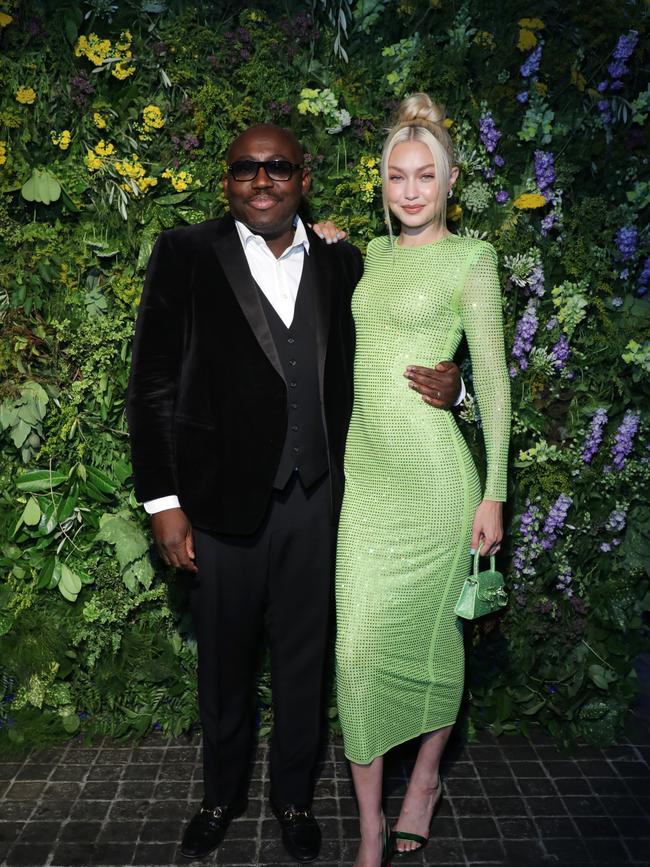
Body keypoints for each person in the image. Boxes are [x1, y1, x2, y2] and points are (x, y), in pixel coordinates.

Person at [126, 122, 463, 863]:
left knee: (306, 664)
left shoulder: (345, 261)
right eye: (245, 168)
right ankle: (220, 794)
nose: (262, 180)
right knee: (224, 661)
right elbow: (151, 385)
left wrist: (457, 384)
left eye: (278, 167)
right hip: (217, 505)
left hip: (321, 500)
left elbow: (402, 345)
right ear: (227, 180)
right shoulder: (185, 254)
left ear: (302, 178)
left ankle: (293, 796)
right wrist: (163, 503)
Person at [334, 93, 511, 867]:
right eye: (397, 177)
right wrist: (317, 235)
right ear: (383, 184)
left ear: (449, 182)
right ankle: (369, 825)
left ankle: (426, 778)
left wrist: (494, 490)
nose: (410, 191)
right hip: (367, 486)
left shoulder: (473, 260)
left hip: (440, 485)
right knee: (358, 650)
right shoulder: (368, 256)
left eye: (425, 177)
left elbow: (496, 383)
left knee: (439, 643)